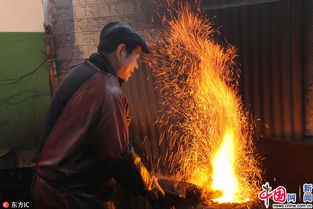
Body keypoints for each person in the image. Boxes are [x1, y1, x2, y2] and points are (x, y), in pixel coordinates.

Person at [31, 22, 164, 209]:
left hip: (52, 189)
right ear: (121, 51)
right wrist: (150, 188)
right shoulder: (107, 89)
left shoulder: (85, 72)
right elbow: (117, 157)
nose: (136, 66)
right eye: (136, 57)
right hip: (72, 196)